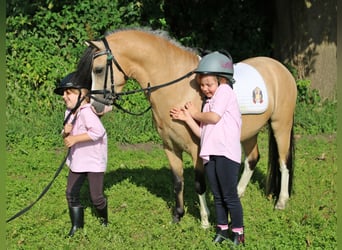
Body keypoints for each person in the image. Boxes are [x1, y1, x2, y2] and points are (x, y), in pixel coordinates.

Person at [170, 51, 245, 246]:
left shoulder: (225, 92)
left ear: (221, 80)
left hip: (227, 153)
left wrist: (194, 113)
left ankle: (238, 231)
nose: (205, 89)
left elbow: (214, 118)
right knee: (218, 196)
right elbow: (203, 134)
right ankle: (222, 228)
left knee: (229, 195)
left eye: (209, 84)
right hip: (210, 153)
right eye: (202, 85)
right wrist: (187, 118)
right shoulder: (208, 103)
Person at [54, 72, 108, 237]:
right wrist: (65, 132)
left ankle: (104, 220)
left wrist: (75, 138)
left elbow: (98, 132)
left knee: (96, 197)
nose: (64, 96)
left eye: (68, 92)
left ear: (82, 94)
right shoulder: (69, 112)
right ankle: (77, 226)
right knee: (71, 193)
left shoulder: (87, 112)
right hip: (78, 160)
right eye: (63, 93)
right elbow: (66, 132)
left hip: (93, 160)